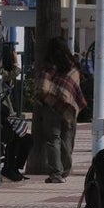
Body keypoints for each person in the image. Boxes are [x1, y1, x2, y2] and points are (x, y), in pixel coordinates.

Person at [33, 37, 87, 184]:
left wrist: (48, 97)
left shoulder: (48, 67)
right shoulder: (73, 67)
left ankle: (56, 173)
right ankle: (65, 170)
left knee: (53, 140)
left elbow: (42, 88)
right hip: (68, 108)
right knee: (68, 139)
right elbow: (74, 88)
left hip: (50, 107)